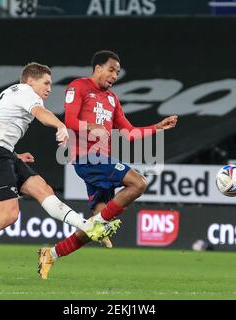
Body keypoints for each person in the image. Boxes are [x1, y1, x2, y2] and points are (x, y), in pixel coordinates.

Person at [0, 62, 121, 273]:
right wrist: (60, 126)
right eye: (46, 83)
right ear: (31, 80)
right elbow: (40, 113)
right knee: (8, 214)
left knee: (43, 189)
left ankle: (88, 226)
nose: (49, 88)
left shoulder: (15, 94)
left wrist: (13, 155)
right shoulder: (25, 91)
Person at [37, 50, 178, 279]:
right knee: (138, 183)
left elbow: (129, 132)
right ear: (98, 68)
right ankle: (101, 222)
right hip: (87, 158)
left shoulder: (112, 99)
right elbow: (70, 120)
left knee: (95, 227)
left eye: (118, 72)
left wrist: (158, 127)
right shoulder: (79, 86)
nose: (114, 75)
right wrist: (92, 127)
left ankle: (51, 254)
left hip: (104, 161)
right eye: (111, 69)